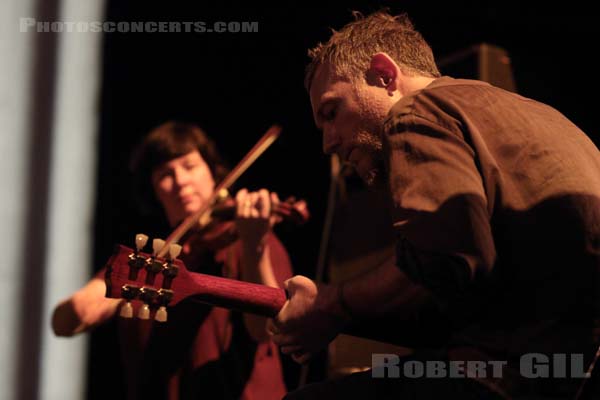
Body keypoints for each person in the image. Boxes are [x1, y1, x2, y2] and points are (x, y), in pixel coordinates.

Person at [269, 11, 600, 399]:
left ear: (384, 75)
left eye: (331, 112)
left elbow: (449, 258)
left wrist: (330, 304)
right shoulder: (544, 116)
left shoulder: (416, 112)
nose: (328, 142)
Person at [52, 121, 292, 399]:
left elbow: (263, 331)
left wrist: (254, 245)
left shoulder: (247, 242)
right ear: (154, 189)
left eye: (189, 166)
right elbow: (65, 322)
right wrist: (96, 298)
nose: (180, 181)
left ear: (213, 173)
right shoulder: (146, 261)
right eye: (166, 173)